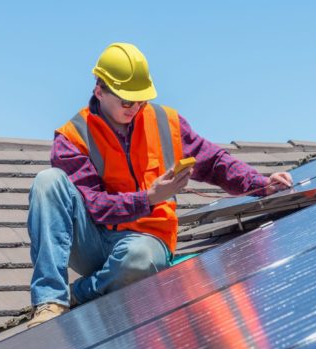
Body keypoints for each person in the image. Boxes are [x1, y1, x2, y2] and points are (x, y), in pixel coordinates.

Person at [27, 42, 293, 328]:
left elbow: (214, 161)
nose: (135, 108)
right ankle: (50, 301)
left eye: (141, 100)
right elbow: (95, 206)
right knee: (47, 181)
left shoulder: (165, 122)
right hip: (92, 240)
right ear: (99, 91)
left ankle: (80, 293)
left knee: (141, 261)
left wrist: (260, 183)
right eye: (127, 102)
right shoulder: (73, 137)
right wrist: (150, 198)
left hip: (145, 245)